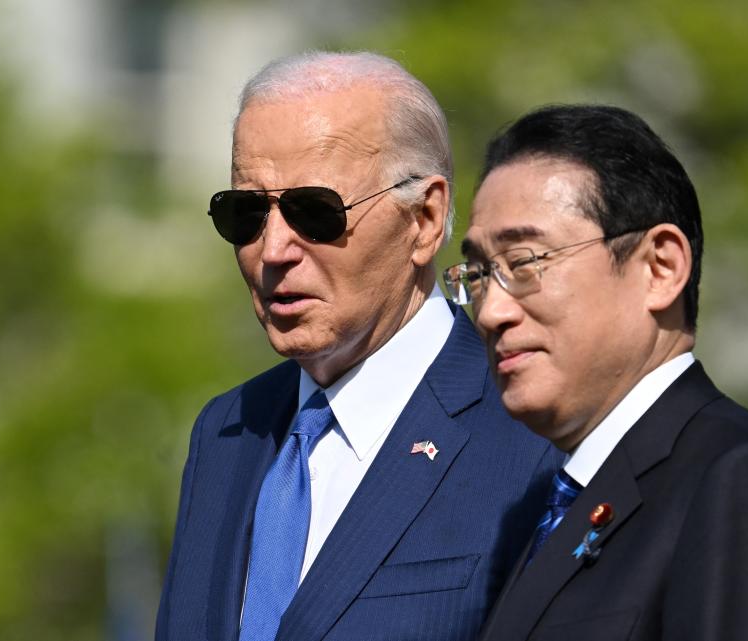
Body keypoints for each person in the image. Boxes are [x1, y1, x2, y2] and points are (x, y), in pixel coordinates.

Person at [155, 51, 559, 641]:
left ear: (424, 218)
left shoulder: (528, 431)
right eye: (245, 213)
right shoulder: (226, 431)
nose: (273, 251)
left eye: (313, 212)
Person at [443, 104, 748, 641]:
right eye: (478, 273)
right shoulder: (545, 506)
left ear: (660, 267)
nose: (491, 311)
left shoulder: (743, 482)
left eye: (524, 263)